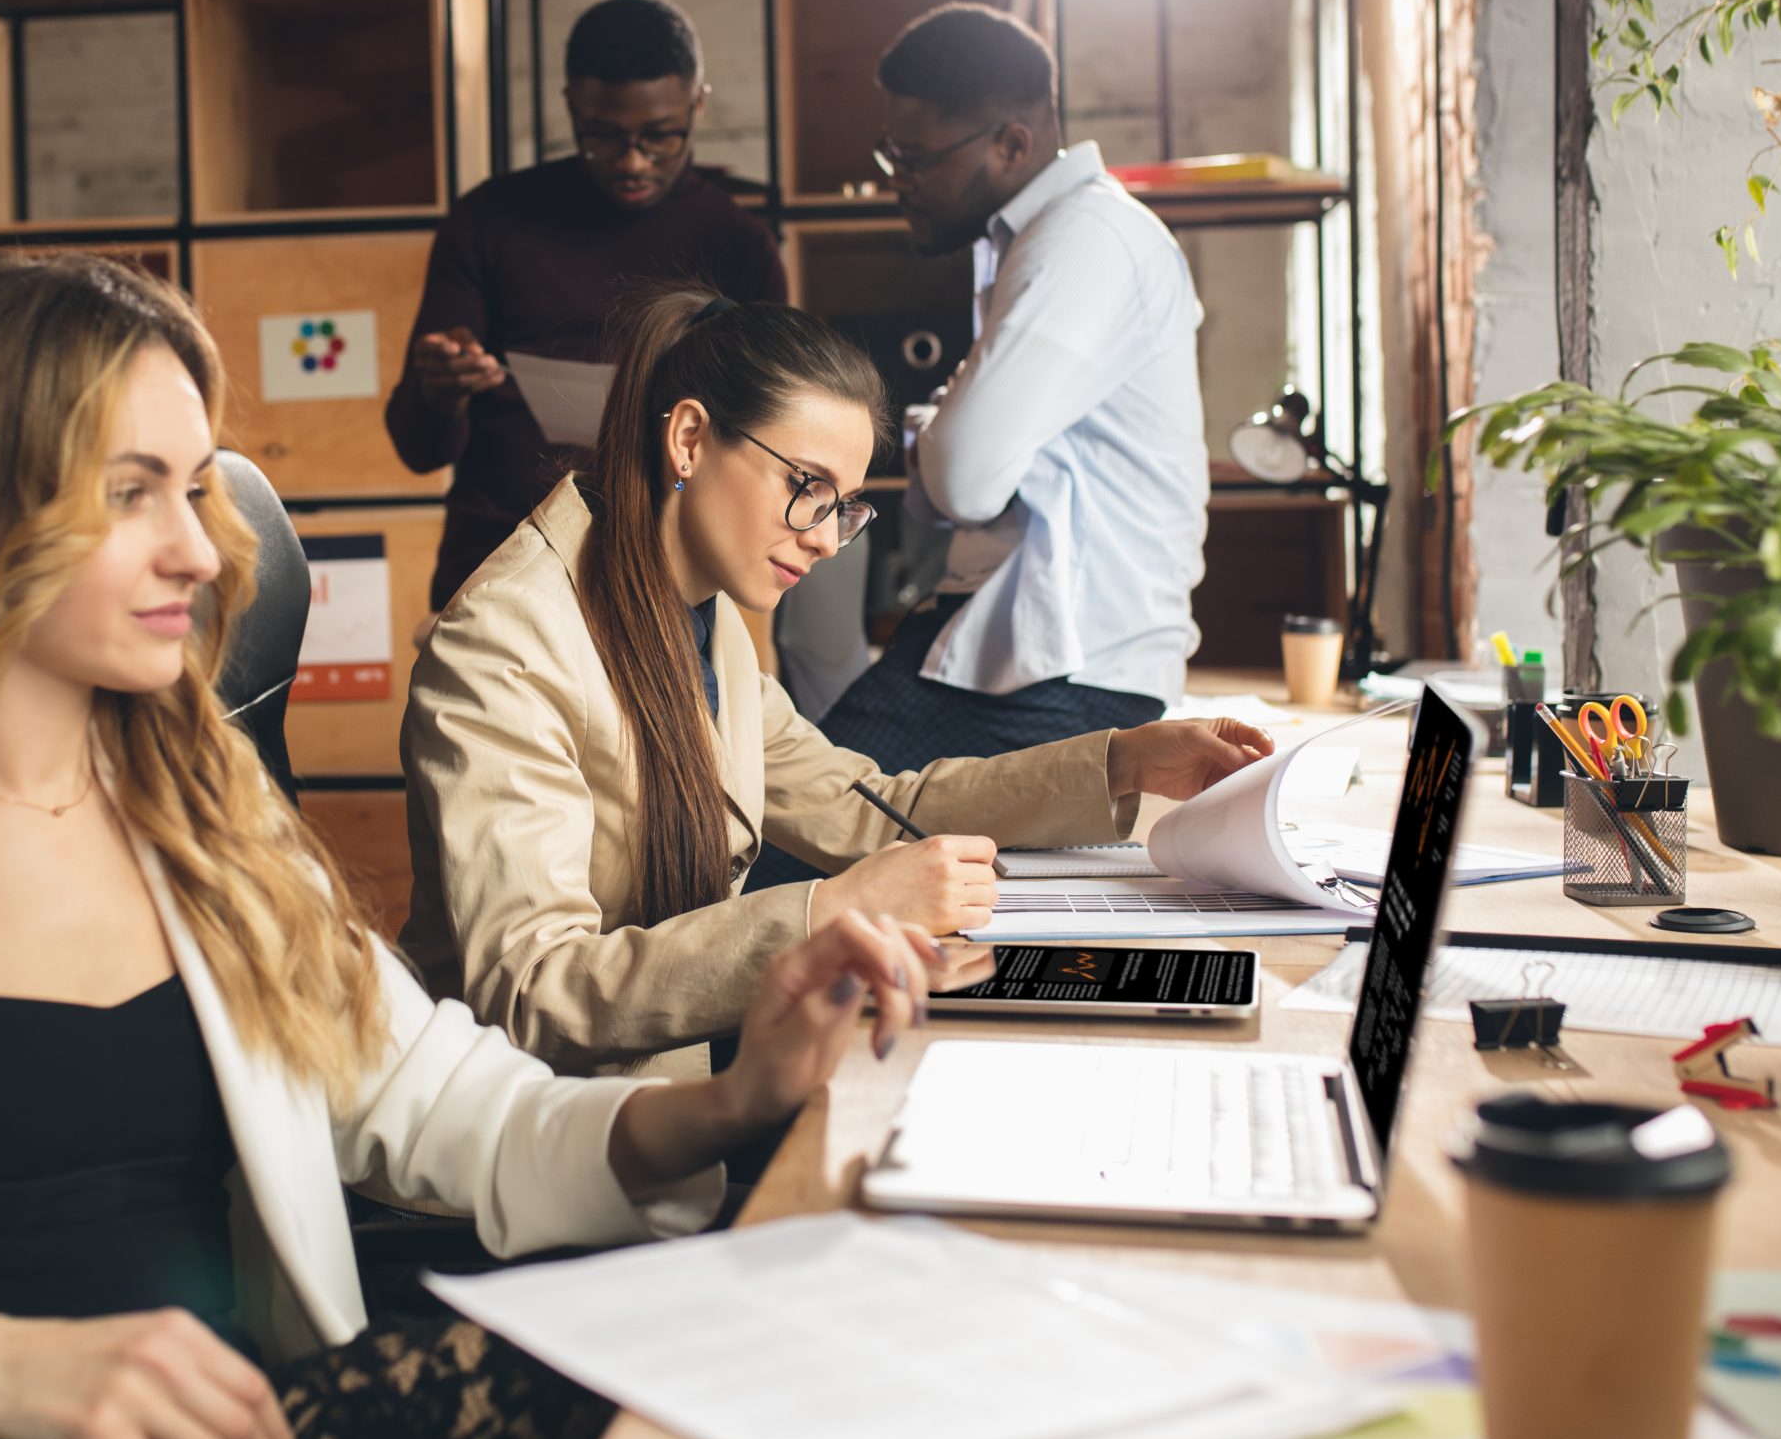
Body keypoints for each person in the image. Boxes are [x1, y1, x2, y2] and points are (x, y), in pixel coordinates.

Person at [0, 253, 940, 1439]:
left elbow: (456, 1109)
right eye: (134, 491)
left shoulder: (202, 806)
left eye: (197, 484)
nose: (206, 548)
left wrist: (741, 1097)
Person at [398, 286, 1271, 1079]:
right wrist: (830, 912)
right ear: (691, 439)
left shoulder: (698, 616)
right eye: (805, 486)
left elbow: (869, 804)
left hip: (663, 1117)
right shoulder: (508, 642)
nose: (824, 536)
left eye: (844, 504)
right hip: (528, 1148)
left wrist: (1122, 762)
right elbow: (532, 988)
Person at [815, 2, 1211, 773]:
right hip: (1023, 651)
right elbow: (968, 461)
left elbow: (960, 478)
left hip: (1060, 670)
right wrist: (945, 436)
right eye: (891, 153)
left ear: (1011, 143)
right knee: (783, 815)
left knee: (771, 839)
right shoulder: (1039, 241)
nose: (899, 181)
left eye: (918, 158)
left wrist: (935, 431)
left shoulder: (1084, 240)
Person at [385, 0, 787, 610]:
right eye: (602, 137)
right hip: (499, 566)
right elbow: (419, 449)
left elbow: (768, 443)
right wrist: (441, 391)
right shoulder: (490, 220)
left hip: (667, 580)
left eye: (660, 137)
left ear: (698, 104)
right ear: (571, 104)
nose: (632, 162)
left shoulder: (739, 245)